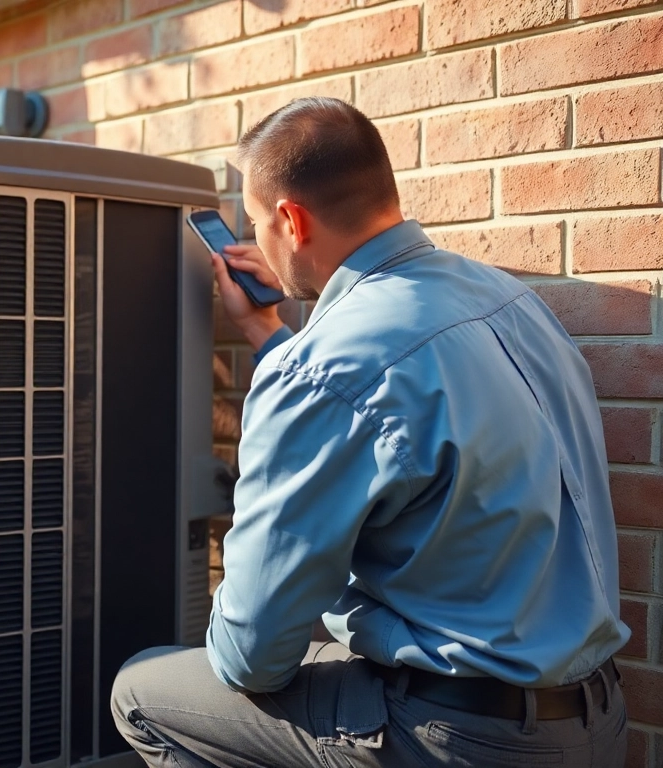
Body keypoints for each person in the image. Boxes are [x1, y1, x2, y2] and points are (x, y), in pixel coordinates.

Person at [111, 97, 630, 767]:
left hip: (453, 737)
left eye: (257, 223)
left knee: (143, 693)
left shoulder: (326, 368)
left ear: (292, 220)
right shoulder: (508, 299)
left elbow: (249, 655)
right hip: (594, 719)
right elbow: (379, 405)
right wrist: (268, 335)